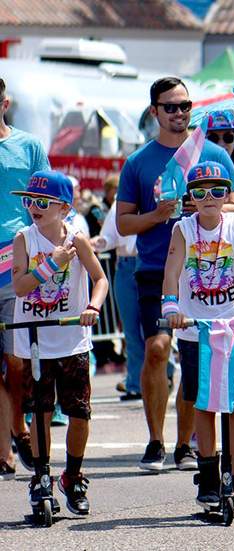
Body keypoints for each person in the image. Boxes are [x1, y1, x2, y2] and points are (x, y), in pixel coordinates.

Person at [116, 76, 234, 471]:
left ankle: (185, 444)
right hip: (155, 268)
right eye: (170, 107)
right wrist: (157, 215)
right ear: (154, 111)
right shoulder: (138, 162)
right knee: (157, 350)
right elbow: (122, 224)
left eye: (186, 105)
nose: (180, 113)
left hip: (206, 272)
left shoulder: (215, 155)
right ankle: (155, 440)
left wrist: (205, 210)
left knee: (193, 358)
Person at [162, 161, 234, 519]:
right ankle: (210, 477)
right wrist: (170, 306)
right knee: (203, 403)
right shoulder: (183, 230)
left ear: (227, 195)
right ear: (191, 199)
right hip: (195, 329)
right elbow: (172, 270)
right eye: (199, 192)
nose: (208, 198)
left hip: (232, 326)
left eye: (216, 191)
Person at [11, 170, 108, 515]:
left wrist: (93, 306)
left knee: (79, 412)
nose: (33, 208)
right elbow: (21, 286)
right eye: (28, 201)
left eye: (41, 202)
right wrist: (53, 263)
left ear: (64, 208)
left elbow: (100, 279)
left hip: (72, 340)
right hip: (36, 340)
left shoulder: (77, 239)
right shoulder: (24, 239)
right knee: (39, 412)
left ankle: (74, 474)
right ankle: (41, 476)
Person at [0, 76, 51, 479]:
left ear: (6, 102)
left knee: (17, 360)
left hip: (17, 261)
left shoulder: (29, 146)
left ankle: (20, 427)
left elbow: (47, 200)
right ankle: (6, 446)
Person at [92, 175, 144, 401]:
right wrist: (94, 243)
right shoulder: (119, 203)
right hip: (124, 265)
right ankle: (135, 382)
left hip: (148, 264)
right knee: (131, 329)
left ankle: (162, 372)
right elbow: (109, 238)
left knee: (151, 329)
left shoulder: (155, 197)